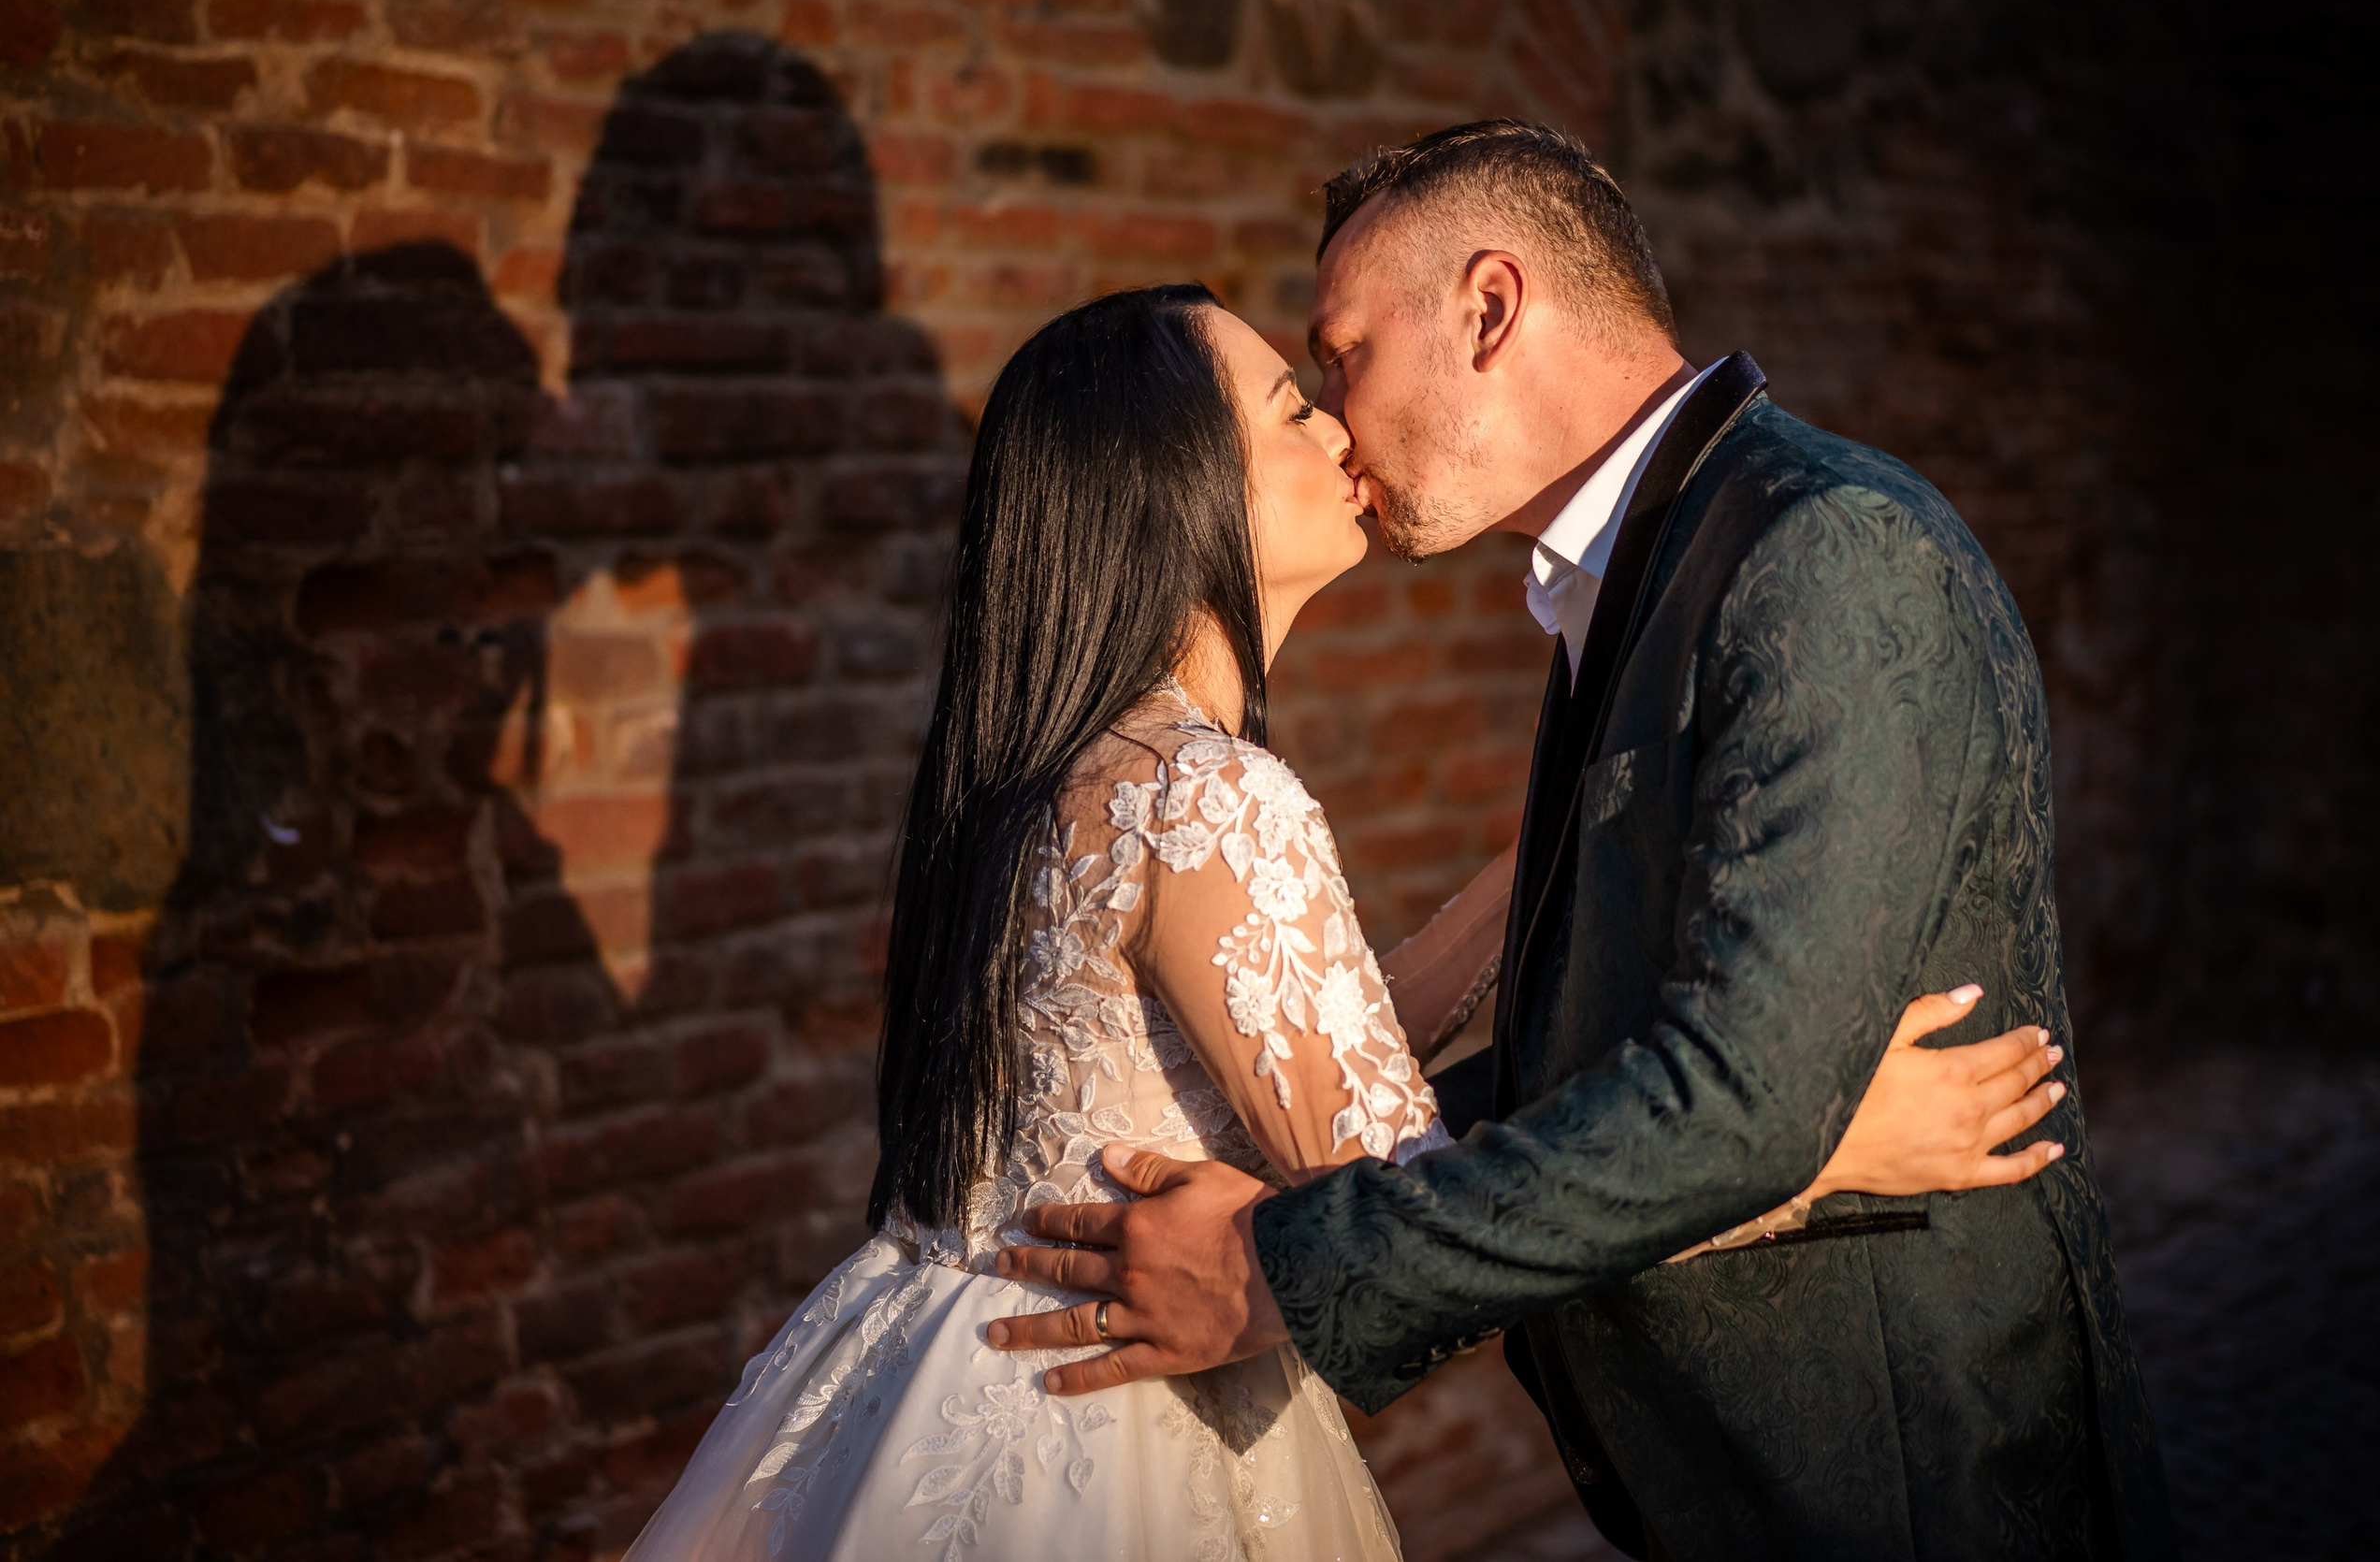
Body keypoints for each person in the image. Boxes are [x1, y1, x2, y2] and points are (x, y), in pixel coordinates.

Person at [625, 283, 2074, 1561]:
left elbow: (1298, 1038)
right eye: (1288, 405)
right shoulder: (1213, 795)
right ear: (1175, 487)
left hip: (933, 1381)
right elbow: (1414, 1203)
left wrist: (1545, 860)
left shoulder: (1073, 766)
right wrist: (1819, 1147)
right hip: (1116, 1448)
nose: (1336, 430)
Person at [986, 126, 2178, 1560]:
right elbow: (1633, 1058)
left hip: (1908, 1482)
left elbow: (1734, 1100)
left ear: (1490, 309)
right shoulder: (1625, 586)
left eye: (1344, 354)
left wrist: (1277, 1272)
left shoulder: (1825, 554)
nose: (1342, 424)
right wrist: (1815, 1146)